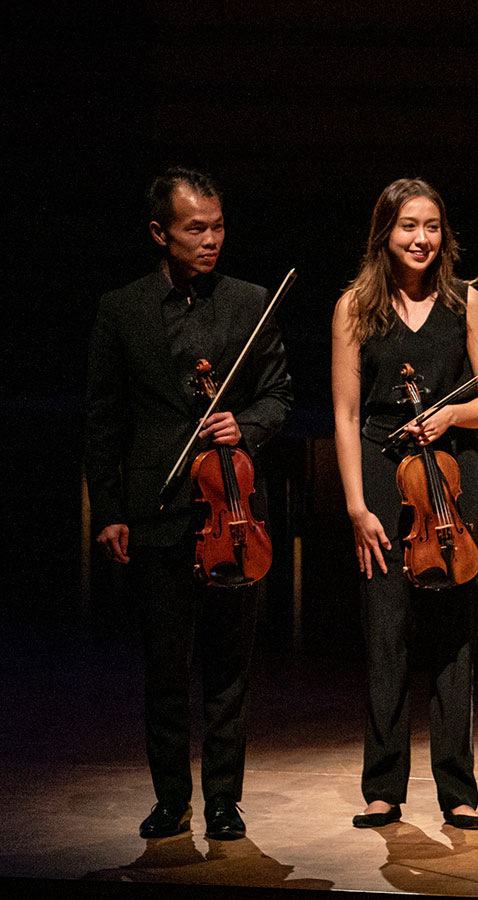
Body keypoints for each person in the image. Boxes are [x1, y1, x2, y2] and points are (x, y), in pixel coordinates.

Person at [85, 167, 292, 840]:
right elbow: (104, 420)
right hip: (159, 508)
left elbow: (279, 396)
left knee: (231, 671)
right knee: (166, 669)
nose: (210, 240)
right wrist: (111, 508)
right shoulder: (122, 310)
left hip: (232, 515)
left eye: (218, 227)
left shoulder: (251, 301)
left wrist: (246, 426)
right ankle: (172, 798)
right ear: (160, 233)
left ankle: (225, 802)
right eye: (195, 229)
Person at [332, 178, 478, 831]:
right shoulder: (354, 308)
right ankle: (383, 786)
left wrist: (452, 413)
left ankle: (457, 790)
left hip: (454, 477)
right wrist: (355, 504)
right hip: (382, 477)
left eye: (432, 226)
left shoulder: (467, 304)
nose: (421, 239)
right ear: (385, 232)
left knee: (454, 634)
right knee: (386, 632)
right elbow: (347, 416)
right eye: (408, 226)